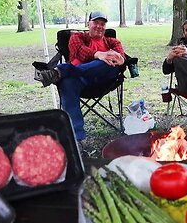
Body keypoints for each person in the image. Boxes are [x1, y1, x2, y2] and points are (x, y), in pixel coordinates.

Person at [34, 11, 125, 142]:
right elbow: (80, 52)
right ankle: (77, 137)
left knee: (108, 63)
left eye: (102, 24)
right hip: (81, 81)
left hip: (104, 79)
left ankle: (59, 72)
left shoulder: (113, 42)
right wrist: (99, 54)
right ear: (88, 23)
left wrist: (119, 59)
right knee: (67, 83)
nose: (99, 26)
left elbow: (118, 57)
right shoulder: (77, 37)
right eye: (96, 23)